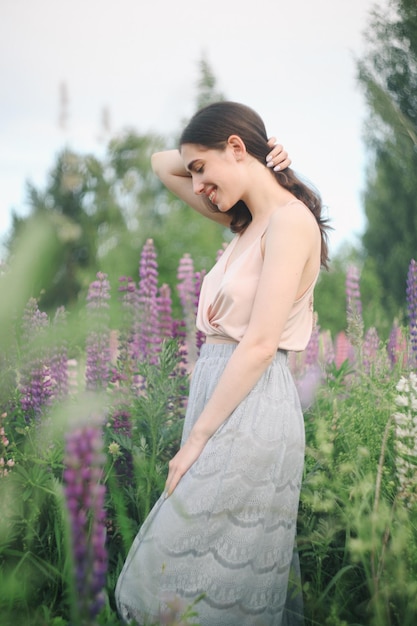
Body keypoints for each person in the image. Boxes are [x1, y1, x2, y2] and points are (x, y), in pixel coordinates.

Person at [115, 101, 330, 626]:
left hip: (251, 407)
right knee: (190, 577)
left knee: (192, 576)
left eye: (202, 171)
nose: (198, 186)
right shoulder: (243, 222)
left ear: (235, 148)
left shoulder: (289, 222)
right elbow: (158, 163)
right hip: (219, 400)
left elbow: (258, 344)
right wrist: (247, 155)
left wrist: (194, 442)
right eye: (195, 176)